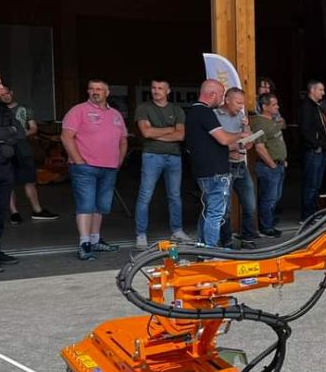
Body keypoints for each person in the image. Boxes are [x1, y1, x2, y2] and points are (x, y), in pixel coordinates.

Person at [61, 79, 128, 261]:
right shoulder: (78, 110)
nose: (94, 92)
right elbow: (66, 136)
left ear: (107, 93)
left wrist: (118, 161)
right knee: (86, 204)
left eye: (99, 89)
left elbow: (123, 140)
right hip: (85, 167)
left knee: (101, 205)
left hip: (109, 167)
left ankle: (95, 239)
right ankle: (84, 243)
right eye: (91, 89)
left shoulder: (116, 115)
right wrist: (78, 160)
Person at [185, 79, 249, 248]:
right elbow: (223, 139)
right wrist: (240, 136)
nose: (222, 99)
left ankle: (202, 247)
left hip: (202, 170)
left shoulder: (191, 112)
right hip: (215, 171)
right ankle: (211, 252)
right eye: (221, 94)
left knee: (207, 211)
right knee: (215, 213)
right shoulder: (205, 113)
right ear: (212, 94)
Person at [133, 79, 188, 248]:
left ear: (168, 91)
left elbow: (181, 136)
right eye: (153, 88)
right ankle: (141, 234)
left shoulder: (177, 109)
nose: (156, 91)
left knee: (175, 196)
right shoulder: (143, 108)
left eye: (160, 88)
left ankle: (177, 230)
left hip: (174, 157)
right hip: (151, 156)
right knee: (145, 195)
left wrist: (155, 133)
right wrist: (170, 129)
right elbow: (145, 132)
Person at [0, 86, 57, 223]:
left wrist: (18, 135)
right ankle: (14, 213)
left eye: (7, 93)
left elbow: (33, 129)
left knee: (30, 181)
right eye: (2, 94)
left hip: (23, 148)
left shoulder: (25, 109)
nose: (5, 96)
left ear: (12, 93)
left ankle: (37, 210)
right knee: (8, 183)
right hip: (5, 150)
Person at [0, 69, 21, 273]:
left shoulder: (2, 108)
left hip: (4, 168)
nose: (2, 87)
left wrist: (1, 134)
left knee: (0, 213)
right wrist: (6, 133)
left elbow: (20, 131)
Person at [216, 87, 258, 248]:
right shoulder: (215, 116)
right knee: (225, 208)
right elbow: (216, 143)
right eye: (238, 103)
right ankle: (226, 240)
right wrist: (233, 147)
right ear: (227, 100)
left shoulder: (241, 116)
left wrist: (247, 130)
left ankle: (247, 237)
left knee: (250, 204)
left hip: (241, 165)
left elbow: (248, 141)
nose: (241, 106)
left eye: (243, 103)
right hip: (225, 165)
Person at [251, 93, 286, 238]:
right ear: (264, 107)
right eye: (274, 104)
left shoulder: (272, 120)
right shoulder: (259, 122)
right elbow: (259, 147)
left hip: (278, 165)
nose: (277, 107)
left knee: (275, 197)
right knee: (269, 198)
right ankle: (266, 227)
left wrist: (282, 161)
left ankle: (269, 223)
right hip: (268, 167)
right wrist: (272, 164)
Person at [298, 80, 326, 221]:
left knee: (316, 184)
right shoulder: (307, 106)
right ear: (312, 90)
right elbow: (304, 129)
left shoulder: (317, 106)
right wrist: (316, 144)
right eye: (321, 90)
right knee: (311, 185)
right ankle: (307, 216)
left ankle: (312, 213)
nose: (323, 93)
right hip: (313, 152)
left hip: (320, 151)